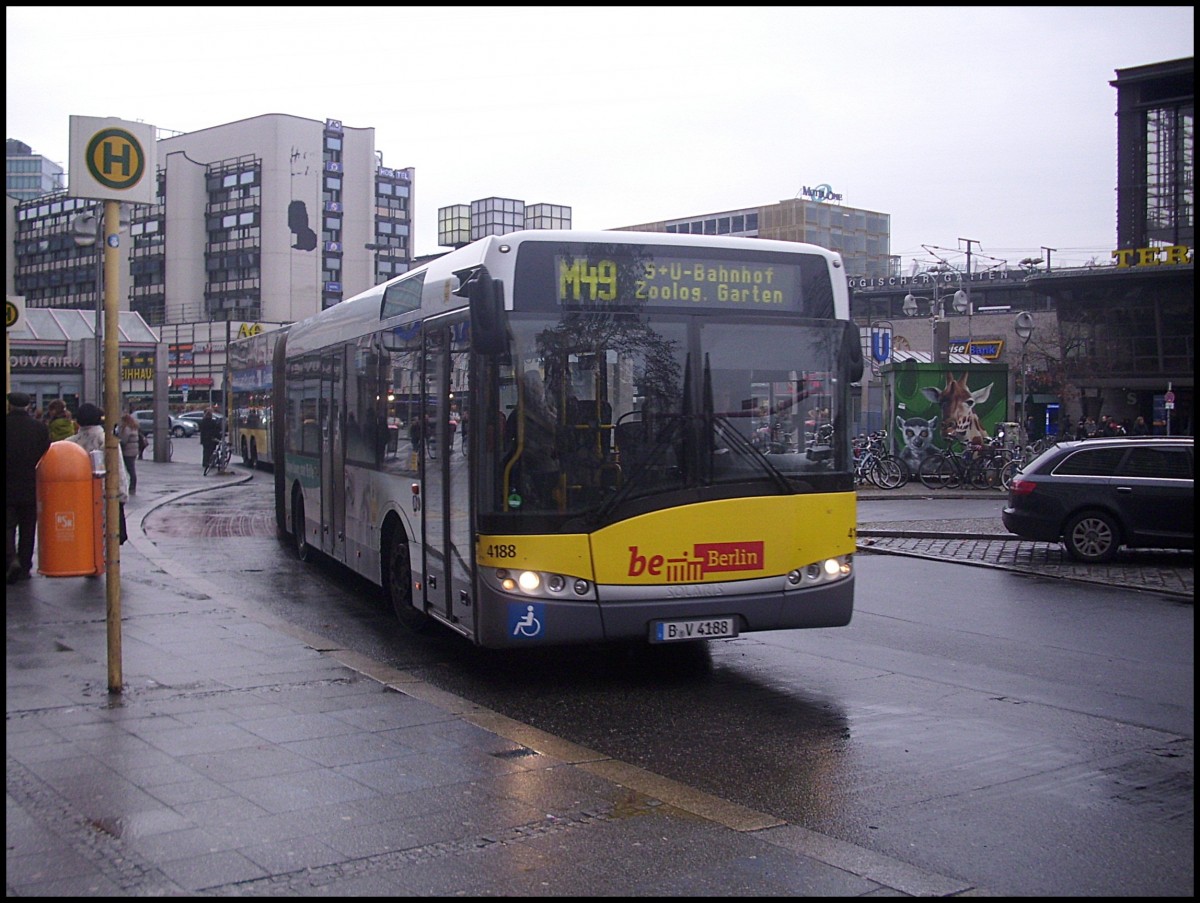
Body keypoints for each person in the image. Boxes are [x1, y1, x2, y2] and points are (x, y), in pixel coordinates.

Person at [67, 403, 130, 544]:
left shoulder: (70, 443)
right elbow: (118, 470)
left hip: (78, 500)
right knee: (105, 544)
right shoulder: (107, 441)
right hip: (104, 499)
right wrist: (121, 496)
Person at [7, 392, 52, 583]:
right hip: (31, 485)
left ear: (9, 405)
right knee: (28, 527)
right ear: (28, 406)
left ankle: (10, 560)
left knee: (8, 526)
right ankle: (25, 565)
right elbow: (46, 452)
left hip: (8, 486)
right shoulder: (39, 428)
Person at [117, 412, 142, 493]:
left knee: (130, 469)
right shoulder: (133, 427)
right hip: (133, 451)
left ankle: (132, 486)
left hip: (128, 451)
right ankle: (132, 486)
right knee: (131, 469)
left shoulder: (127, 429)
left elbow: (124, 440)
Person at [199, 407, 221, 473]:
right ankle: (211, 462)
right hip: (212, 439)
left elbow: (202, 431)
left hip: (205, 439)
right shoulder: (213, 422)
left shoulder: (203, 421)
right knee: (211, 451)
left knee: (206, 451)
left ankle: (205, 462)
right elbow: (216, 430)